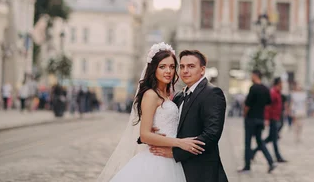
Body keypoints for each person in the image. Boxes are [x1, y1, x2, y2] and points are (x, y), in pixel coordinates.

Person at [98, 44, 228, 182]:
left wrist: (174, 151)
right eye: (181, 66)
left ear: (202, 70)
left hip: (200, 170)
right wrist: (150, 135)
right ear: (154, 69)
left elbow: (211, 135)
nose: (184, 71)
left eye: (190, 66)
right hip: (167, 163)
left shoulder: (212, 93)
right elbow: (149, 131)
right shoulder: (175, 96)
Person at [238, 70, 275, 174]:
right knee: (260, 141)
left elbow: (247, 105)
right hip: (260, 118)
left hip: (251, 119)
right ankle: (271, 162)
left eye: (252, 75)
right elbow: (268, 103)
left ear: (255, 76)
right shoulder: (265, 88)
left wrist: (245, 114)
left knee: (248, 142)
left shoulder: (253, 88)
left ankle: (247, 166)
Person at [253, 77, 287, 163]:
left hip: (276, 118)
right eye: (281, 83)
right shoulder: (273, 92)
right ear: (278, 83)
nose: (283, 85)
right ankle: (278, 156)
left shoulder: (278, 93)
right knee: (273, 139)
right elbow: (268, 106)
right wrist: (267, 119)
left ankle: (253, 152)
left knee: (270, 138)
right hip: (273, 119)